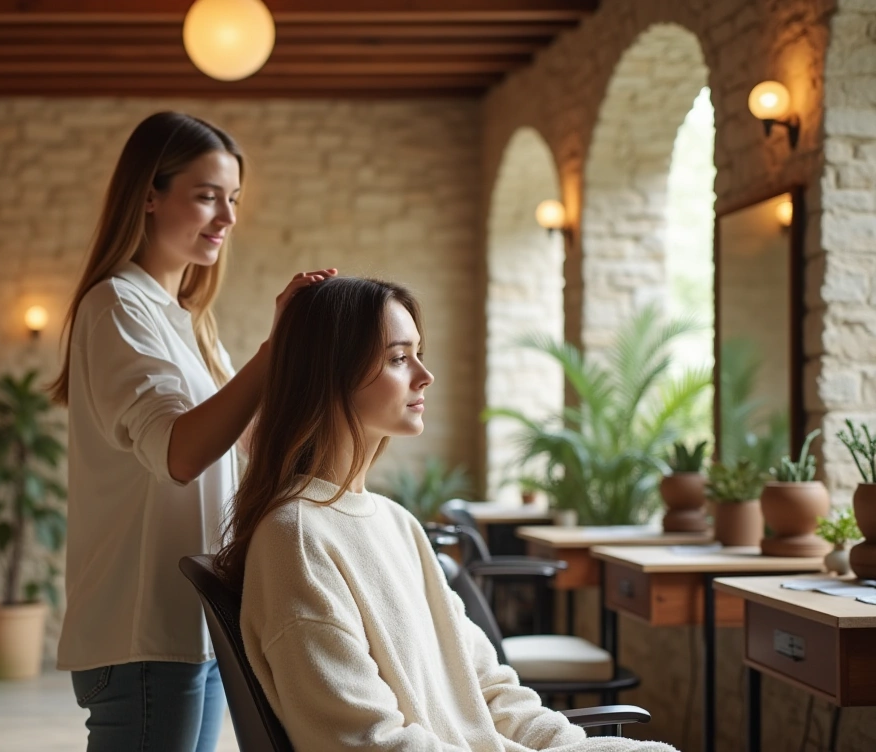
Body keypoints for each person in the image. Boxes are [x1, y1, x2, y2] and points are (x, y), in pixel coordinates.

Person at [214, 277, 676, 752]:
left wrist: (570, 746)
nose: (425, 374)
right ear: (329, 373)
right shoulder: (296, 539)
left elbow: (487, 686)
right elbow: (364, 742)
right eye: (398, 358)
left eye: (418, 353)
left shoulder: (397, 524)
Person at [50, 110, 335, 752]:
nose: (227, 218)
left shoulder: (187, 323)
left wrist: (304, 349)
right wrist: (271, 352)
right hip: (142, 631)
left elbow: (253, 444)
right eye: (207, 196)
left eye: (233, 199)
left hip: (191, 626)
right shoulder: (116, 304)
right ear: (148, 195)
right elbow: (179, 453)